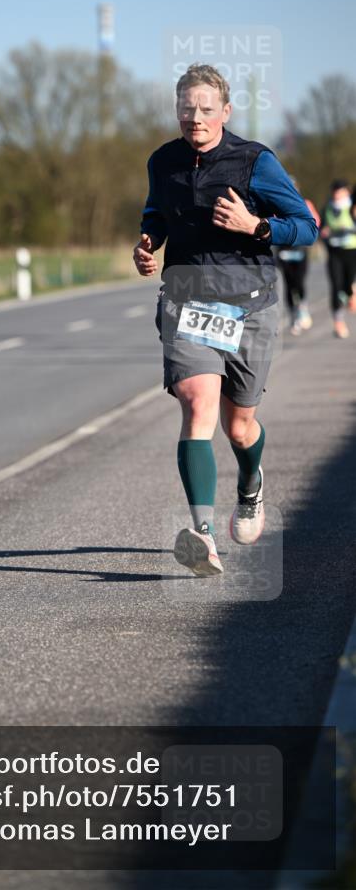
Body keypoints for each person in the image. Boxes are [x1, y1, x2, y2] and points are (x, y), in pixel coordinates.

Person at [133, 64, 317, 577]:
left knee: (239, 427)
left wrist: (256, 225)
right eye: (186, 108)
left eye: (206, 109)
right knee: (197, 403)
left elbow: (307, 227)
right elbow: (156, 211)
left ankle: (250, 484)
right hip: (186, 302)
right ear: (177, 110)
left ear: (225, 112)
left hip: (249, 306)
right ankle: (203, 535)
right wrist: (149, 243)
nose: (195, 117)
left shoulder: (255, 161)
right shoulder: (162, 161)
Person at [275, 177, 320, 336]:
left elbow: (315, 223)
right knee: (288, 284)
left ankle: (302, 308)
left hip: (300, 249)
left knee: (299, 282)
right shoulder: (275, 204)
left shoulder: (305, 204)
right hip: (283, 250)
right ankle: (293, 316)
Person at [320, 179, 356, 339]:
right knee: (335, 285)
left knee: (348, 285)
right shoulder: (327, 208)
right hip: (334, 252)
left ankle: (351, 294)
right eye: (335, 191)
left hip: (352, 251)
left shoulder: (352, 207)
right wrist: (324, 232)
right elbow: (320, 228)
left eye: (340, 191)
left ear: (347, 192)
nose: (337, 194)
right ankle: (338, 323)